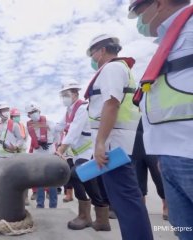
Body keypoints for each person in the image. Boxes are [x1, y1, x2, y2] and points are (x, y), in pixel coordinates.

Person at [128, 1, 193, 239]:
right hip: (169, 155)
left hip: (188, 153)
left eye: (138, 13)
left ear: (158, 3)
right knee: (185, 230)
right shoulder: (173, 38)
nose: (140, 21)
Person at [84, 34, 153, 240]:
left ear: (102, 50)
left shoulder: (112, 68)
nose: (93, 58)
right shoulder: (122, 68)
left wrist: (100, 143)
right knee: (126, 199)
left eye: (92, 53)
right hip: (120, 140)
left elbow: (111, 103)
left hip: (114, 142)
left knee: (125, 200)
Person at [55, 82, 110, 231]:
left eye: (66, 95)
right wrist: (42, 125)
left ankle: (97, 215)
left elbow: (73, 132)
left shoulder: (82, 109)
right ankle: (90, 216)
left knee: (76, 174)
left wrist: (60, 149)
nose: (64, 98)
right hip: (78, 154)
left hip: (89, 152)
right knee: (76, 177)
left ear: (75, 94)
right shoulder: (68, 111)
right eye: (62, 95)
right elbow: (58, 126)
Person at [131, 118, 168, 220]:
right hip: (135, 139)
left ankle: (167, 205)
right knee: (138, 178)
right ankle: (141, 209)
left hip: (152, 139)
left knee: (158, 176)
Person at [25, 102, 58, 209]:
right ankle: (40, 205)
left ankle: (53, 205)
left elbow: (57, 136)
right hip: (38, 153)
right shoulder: (29, 125)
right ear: (28, 115)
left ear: (39, 111)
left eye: (35, 111)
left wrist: (49, 143)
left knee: (52, 180)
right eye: (30, 113)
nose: (33, 114)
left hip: (50, 152)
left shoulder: (49, 122)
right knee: (39, 180)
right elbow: (27, 138)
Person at [0, 102, 25, 169]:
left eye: (7, 110)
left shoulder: (14, 125)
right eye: (3, 110)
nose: (6, 112)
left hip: (10, 155)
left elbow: (20, 139)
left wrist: (16, 146)